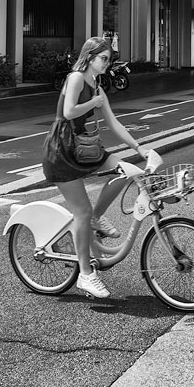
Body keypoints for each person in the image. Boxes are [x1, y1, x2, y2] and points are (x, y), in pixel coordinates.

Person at [42, 35, 147, 299]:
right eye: (103, 58)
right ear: (89, 57)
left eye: (108, 60)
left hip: (85, 148)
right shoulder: (76, 77)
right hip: (63, 149)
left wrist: (139, 148)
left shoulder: (97, 86)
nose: (106, 64)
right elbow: (68, 112)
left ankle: (96, 217)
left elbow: (114, 123)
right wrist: (93, 103)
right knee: (81, 211)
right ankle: (86, 275)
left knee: (126, 171)